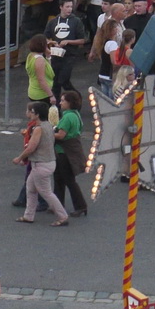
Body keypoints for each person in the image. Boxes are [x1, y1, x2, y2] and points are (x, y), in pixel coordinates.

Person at [15, 102, 69, 226]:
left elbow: (31, 148)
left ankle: (63, 216)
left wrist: (19, 158)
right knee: (31, 189)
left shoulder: (39, 129)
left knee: (46, 193)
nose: (28, 113)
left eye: (31, 111)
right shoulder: (48, 125)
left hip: (41, 165)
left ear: (37, 114)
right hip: (47, 163)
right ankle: (28, 216)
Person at [52, 90, 90, 218]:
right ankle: (57, 204)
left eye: (63, 100)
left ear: (69, 103)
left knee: (67, 180)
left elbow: (61, 135)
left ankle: (80, 206)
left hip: (64, 152)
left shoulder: (67, 117)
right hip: (70, 151)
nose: (60, 103)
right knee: (59, 179)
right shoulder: (75, 114)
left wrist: (48, 134)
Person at [46, 0, 88, 96]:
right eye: (67, 7)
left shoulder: (76, 21)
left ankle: (76, 96)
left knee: (63, 80)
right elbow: (45, 37)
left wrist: (68, 41)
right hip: (56, 55)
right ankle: (56, 106)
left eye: (71, 7)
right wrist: (52, 42)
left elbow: (82, 40)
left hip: (69, 55)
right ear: (61, 7)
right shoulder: (53, 22)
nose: (69, 9)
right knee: (55, 83)